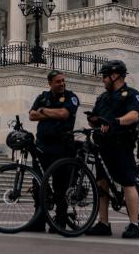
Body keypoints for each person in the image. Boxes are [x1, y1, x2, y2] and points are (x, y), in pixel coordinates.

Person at [85, 59, 139, 239]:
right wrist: (93, 120)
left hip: (121, 143)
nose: (103, 79)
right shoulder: (102, 97)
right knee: (101, 183)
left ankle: (134, 224)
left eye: (105, 76)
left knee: (128, 182)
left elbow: (135, 115)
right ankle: (103, 223)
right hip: (102, 145)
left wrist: (117, 121)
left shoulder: (131, 94)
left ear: (115, 76)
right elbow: (96, 116)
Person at [28, 70, 79, 231]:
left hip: (62, 147)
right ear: (50, 83)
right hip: (42, 147)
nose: (62, 83)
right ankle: (39, 220)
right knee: (38, 184)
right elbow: (31, 115)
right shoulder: (42, 97)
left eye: (63, 80)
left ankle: (60, 221)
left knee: (60, 186)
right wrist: (51, 113)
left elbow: (64, 114)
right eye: (58, 81)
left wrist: (43, 111)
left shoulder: (71, 97)